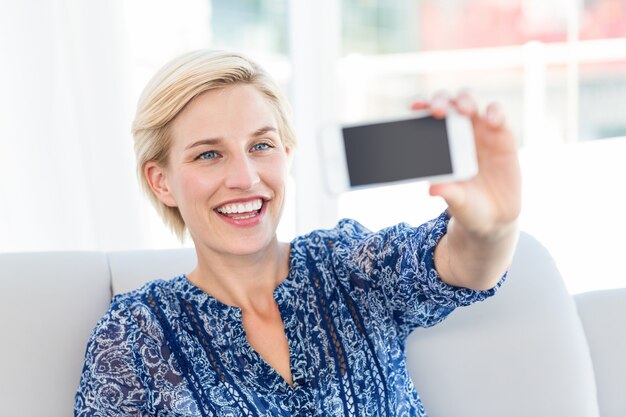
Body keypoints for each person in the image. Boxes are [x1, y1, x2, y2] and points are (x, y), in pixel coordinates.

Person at [74, 49, 521, 417]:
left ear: (285, 154)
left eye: (261, 146)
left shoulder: (345, 264)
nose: (245, 177)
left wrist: (492, 227)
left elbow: (459, 266)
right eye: (209, 154)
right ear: (161, 181)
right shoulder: (135, 336)